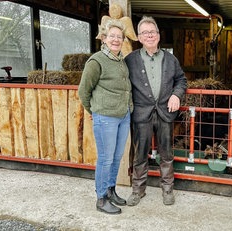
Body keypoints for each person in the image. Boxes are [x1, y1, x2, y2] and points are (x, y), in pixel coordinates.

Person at [125, 16, 187, 206]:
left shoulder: (170, 59)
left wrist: (176, 95)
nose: (149, 35)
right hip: (141, 114)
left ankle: (168, 189)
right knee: (140, 154)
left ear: (158, 35)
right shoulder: (130, 60)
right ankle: (138, 190)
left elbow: (181, 80)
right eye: (145, 33)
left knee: (166, 154)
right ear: (139, 37)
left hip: (165, 112)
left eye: (152, 32)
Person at [78, 19, 133, 214]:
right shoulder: (96, 61)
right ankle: (101, 198)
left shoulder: (121, 61)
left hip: (123, 116)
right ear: (104, 38)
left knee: (117, 157)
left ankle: (111, 191)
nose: (116, 40)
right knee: (105, 158)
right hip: (106, 117)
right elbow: (83, 91)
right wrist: (94, 111)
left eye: (119, 37)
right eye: (112, 36)